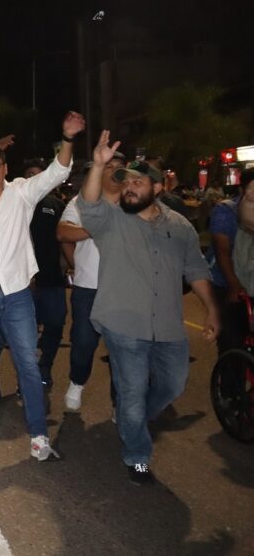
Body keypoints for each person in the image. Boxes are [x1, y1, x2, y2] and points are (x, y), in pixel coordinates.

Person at [77, 133, 219, 485]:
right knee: (133, 390)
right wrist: (98, 165)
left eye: (139, 181)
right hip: (123, 324)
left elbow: (196, 269)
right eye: (127, 181)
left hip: (168, 326)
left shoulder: (180, 227)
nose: (130, 187)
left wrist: (212, 310)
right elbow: (89, 204)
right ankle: (137, 454)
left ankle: (129, 418)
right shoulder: (111, 220)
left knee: (173, 385)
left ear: (157, 188)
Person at [0, 112, 86, 461]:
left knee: (27, 362)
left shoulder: (22, 192)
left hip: (19, 294)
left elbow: (58, 172)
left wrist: (67, 138)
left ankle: (38, 434)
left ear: (5, 168)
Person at [57, 152, 127, 412]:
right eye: (109, 166)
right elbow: (63, 232)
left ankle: (120, 405)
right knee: (84, 342)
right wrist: (93, 230)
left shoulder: (134, 203)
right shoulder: (81, 203)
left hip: (124, 291)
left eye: (120, 167)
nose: (114, 171)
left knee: (122, 352)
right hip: (88, 289)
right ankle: (77, 381)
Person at [22, 158, 67, 389]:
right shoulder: (16, 203)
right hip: (22, 282)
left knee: (56, 324)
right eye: (30, 174)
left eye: (39, 174)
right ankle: (28, 377)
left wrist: (65, 262)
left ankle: (45, 366)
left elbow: (64, 238)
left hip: (51, 279)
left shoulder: (57, 205)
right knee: (26, 332)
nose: (34, 178)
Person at [206, 168, 254, 355]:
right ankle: (230, 381)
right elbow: (222, 252)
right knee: (232, 339)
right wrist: (233, 284)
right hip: (226, 280)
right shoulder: (226, 211)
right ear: (242, 190)